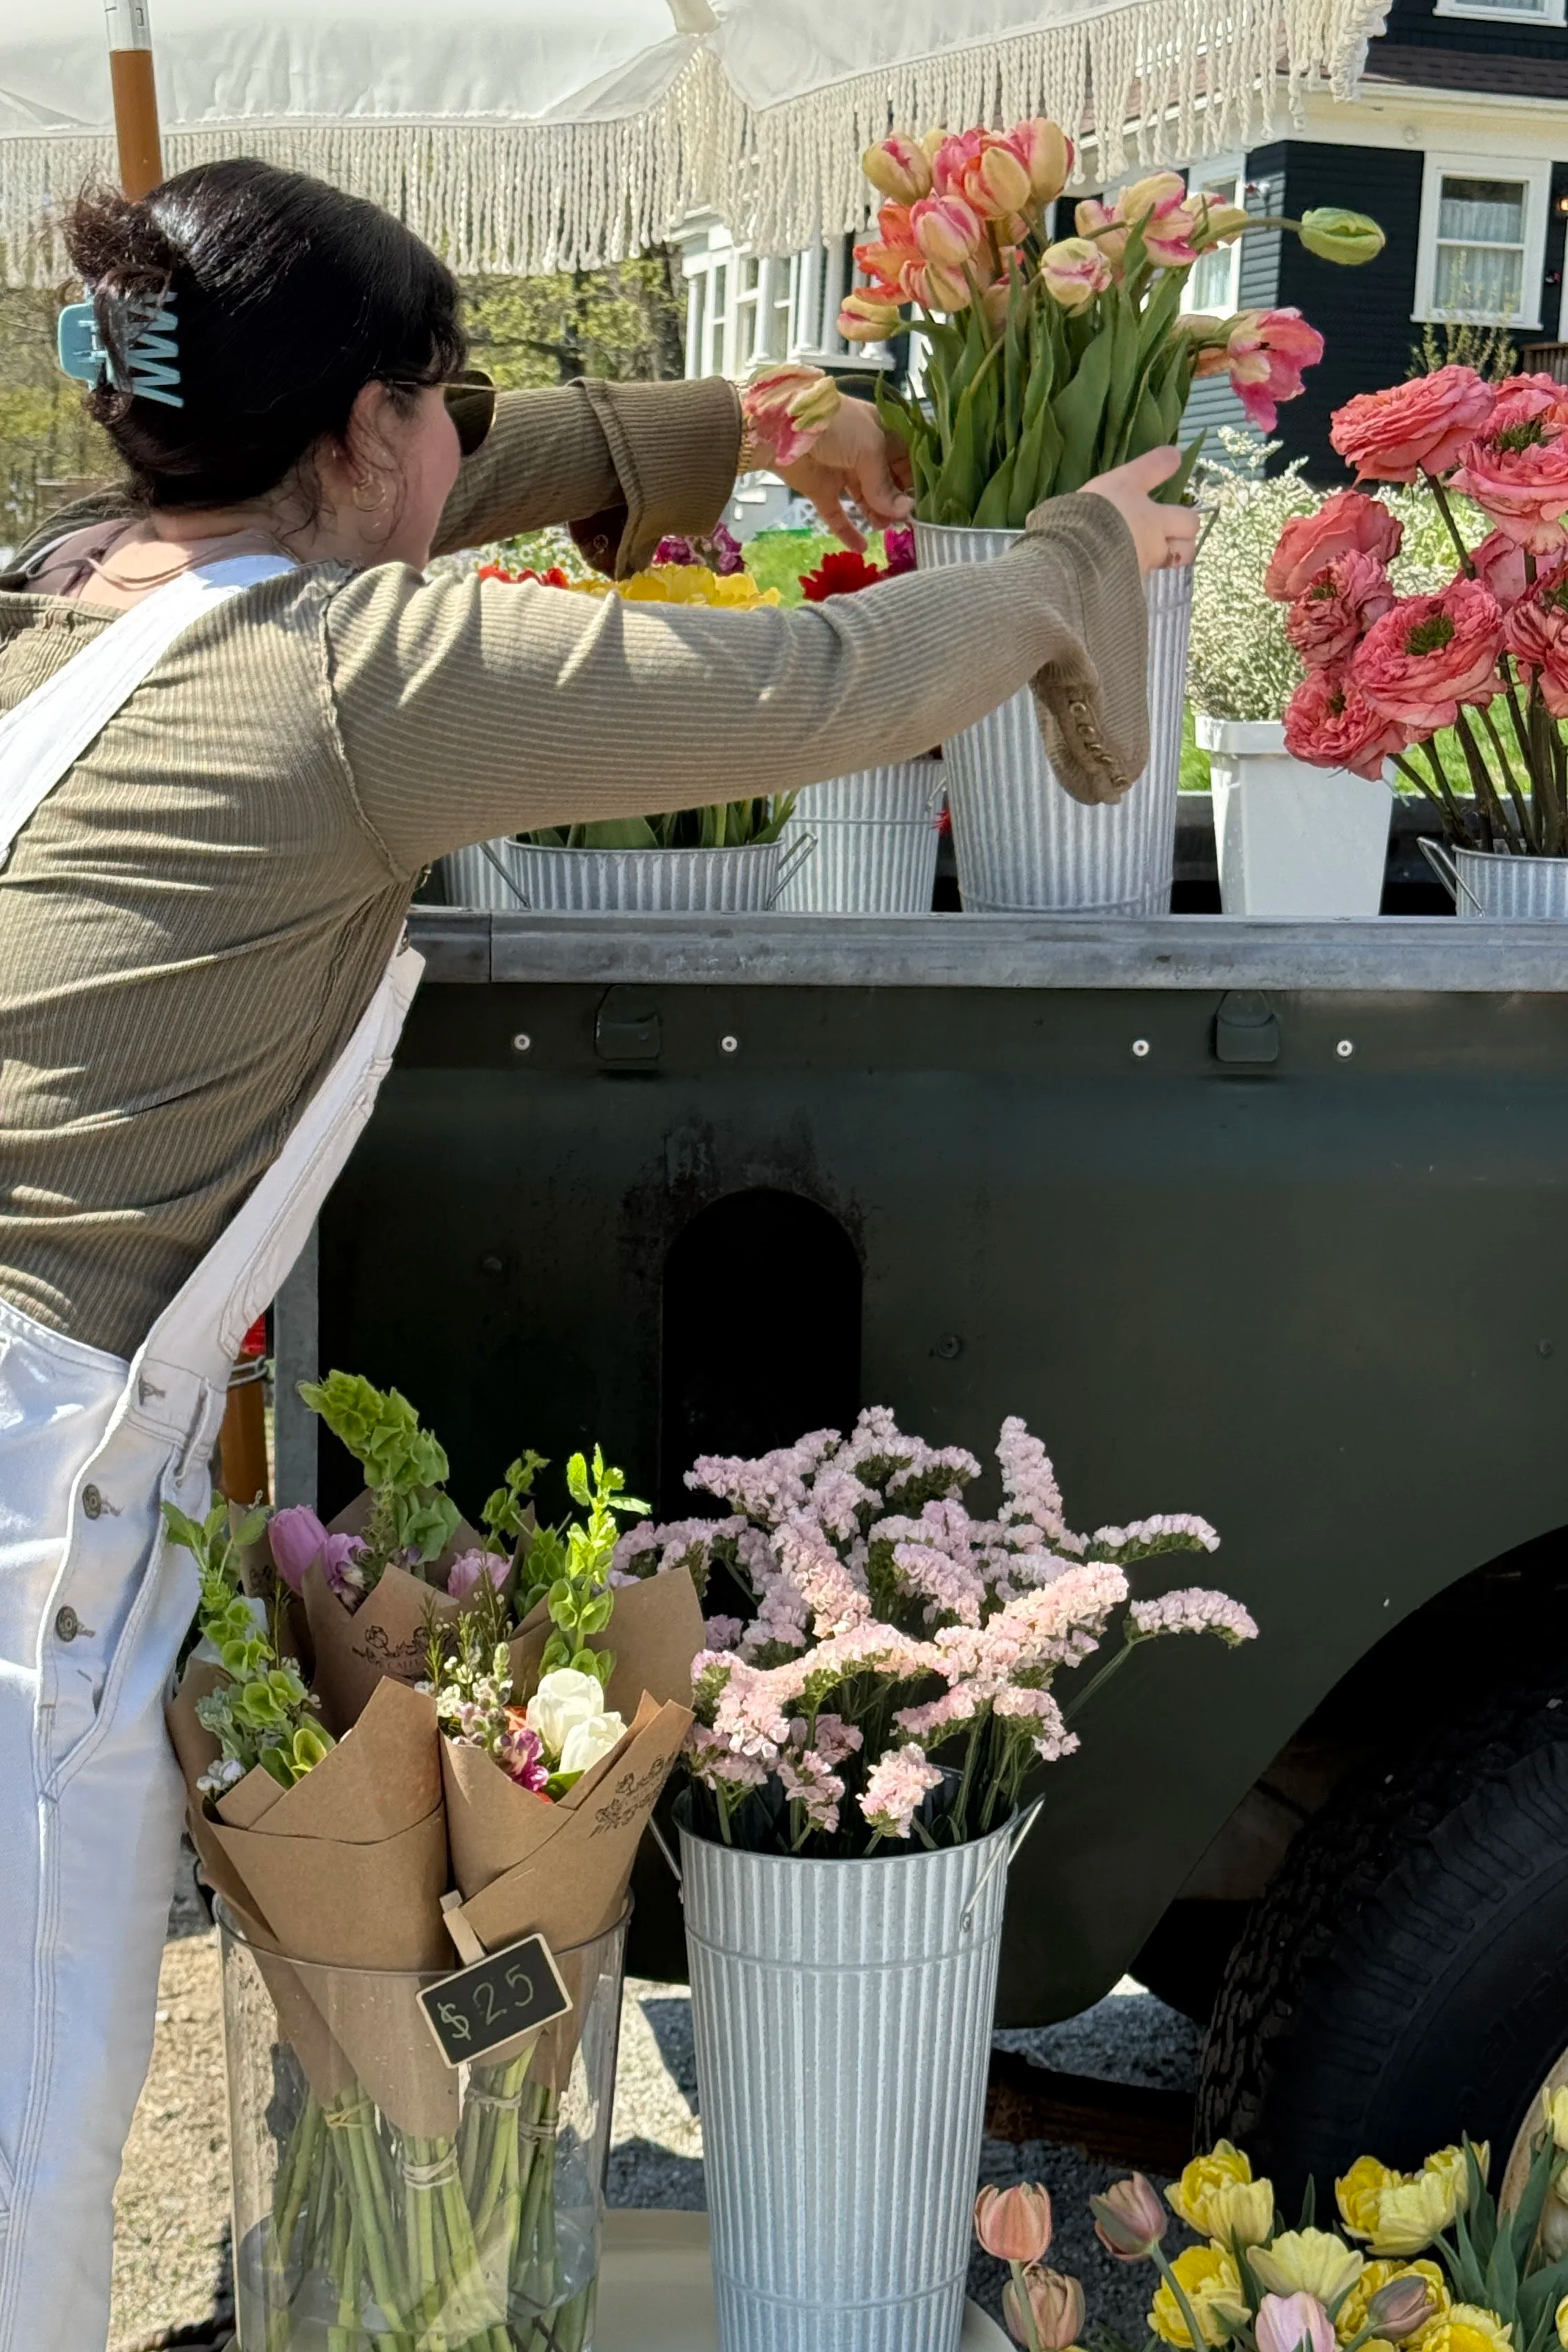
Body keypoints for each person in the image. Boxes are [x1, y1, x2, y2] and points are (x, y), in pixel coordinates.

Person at [0, 156, 1197, 2348]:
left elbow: (419, 486)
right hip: (22, 1495)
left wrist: (714, 425)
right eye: (441, 404)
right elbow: (820, 686)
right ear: (365, 429)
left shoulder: (68, 584)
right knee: (16, 2160)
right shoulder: (359, 675)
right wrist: (1068, 560)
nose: (462, 448)